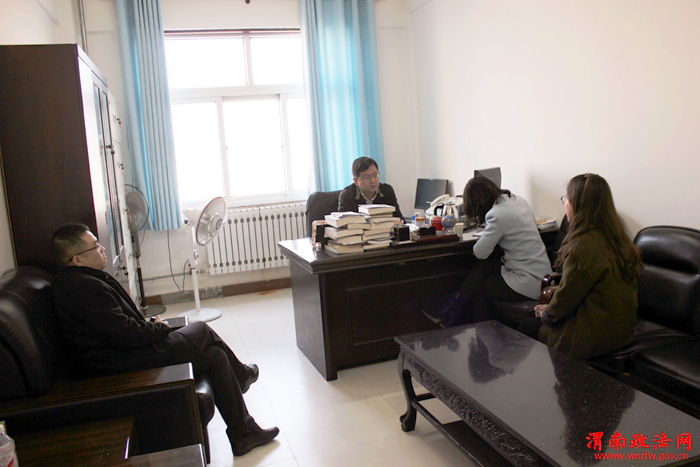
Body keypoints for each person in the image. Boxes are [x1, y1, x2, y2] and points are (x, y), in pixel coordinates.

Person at [50, 223, 279, 457]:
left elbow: (117, 326)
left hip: (126, 352)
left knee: (215, 355)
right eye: (95, 247)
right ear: (77, 259)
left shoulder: (84, 280)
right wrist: (158, 328)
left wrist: (150, 325)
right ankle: (242, 379)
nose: (102, 249)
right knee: (202, 330)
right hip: (125, 360)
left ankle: (243, 432)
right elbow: (124, 334)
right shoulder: (82, 288)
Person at [517, 173, 643, 359]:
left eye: (567, 199)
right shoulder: (617, 236)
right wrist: (551, 309)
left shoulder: (583, 245)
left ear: (578, 204)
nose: (565, 204)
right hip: (620, 331)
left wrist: (547, 314)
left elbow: (567, 296)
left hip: (594, 336)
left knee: (526, 326)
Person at [423, 176, 552, 327]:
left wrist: (488, 232)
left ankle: (482, 334)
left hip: (528, 281)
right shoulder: (518, 200)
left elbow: (480, 252)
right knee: (483, 268)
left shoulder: (496, 215)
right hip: (542, 275)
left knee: (482, 289)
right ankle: (449, 312)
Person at [338, 156, 403, 219]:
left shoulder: (387, 191)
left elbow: (399, 218)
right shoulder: (347, 195)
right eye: (367, 177)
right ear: (356, 181)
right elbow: (344, 223)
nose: (373, 180)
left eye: (375, 175)